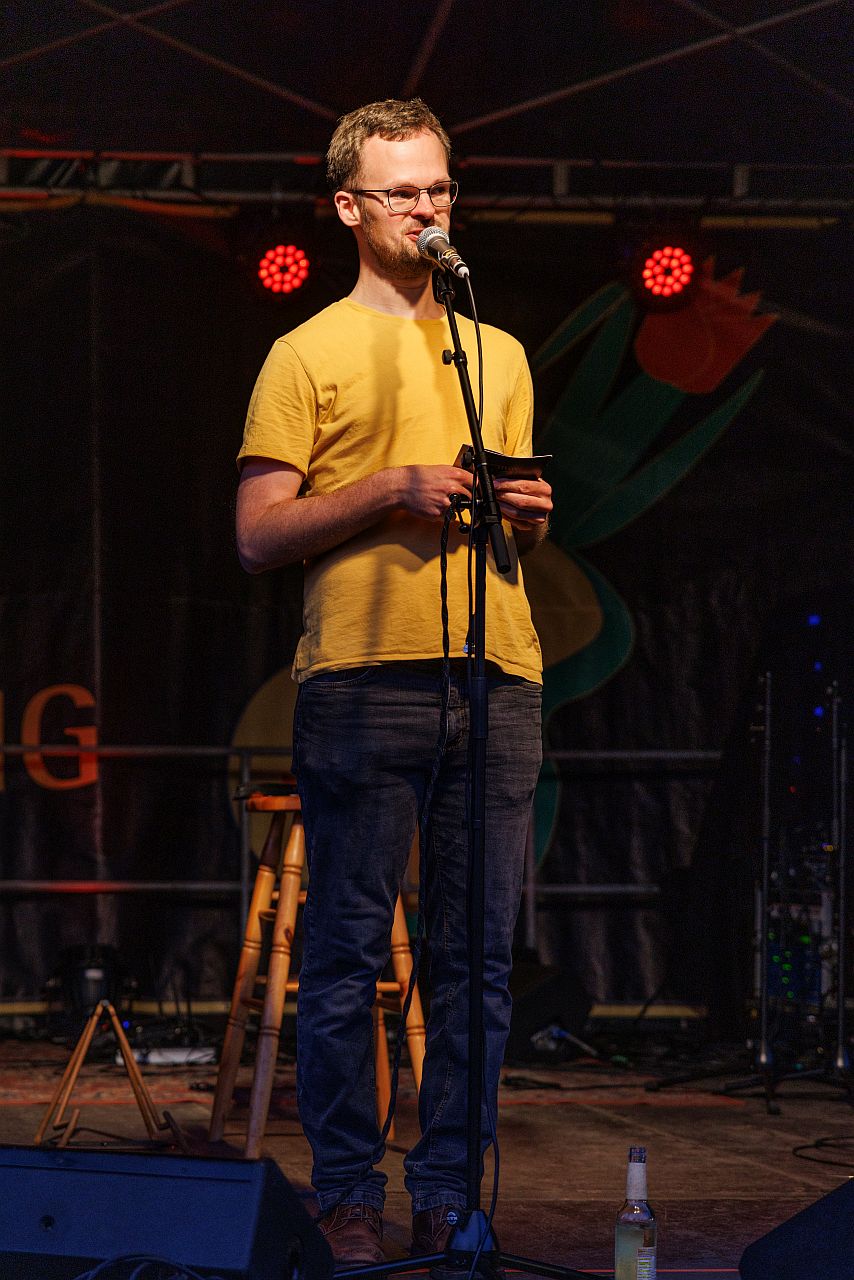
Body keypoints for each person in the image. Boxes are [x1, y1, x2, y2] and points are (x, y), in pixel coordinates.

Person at [235, 98, 552, 1267]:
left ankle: (450, 1193)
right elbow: (257, 534)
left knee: (475, 963)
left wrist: (527, 512)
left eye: (438, 188)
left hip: (495, 673)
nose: (426, 209)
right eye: (401, 192)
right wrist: (388, 488)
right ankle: (346, 1195)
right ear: (347, 207)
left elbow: (515, 533)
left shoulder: (494, 351)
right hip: (364, 678)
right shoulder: (304, 352)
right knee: (346, 954)